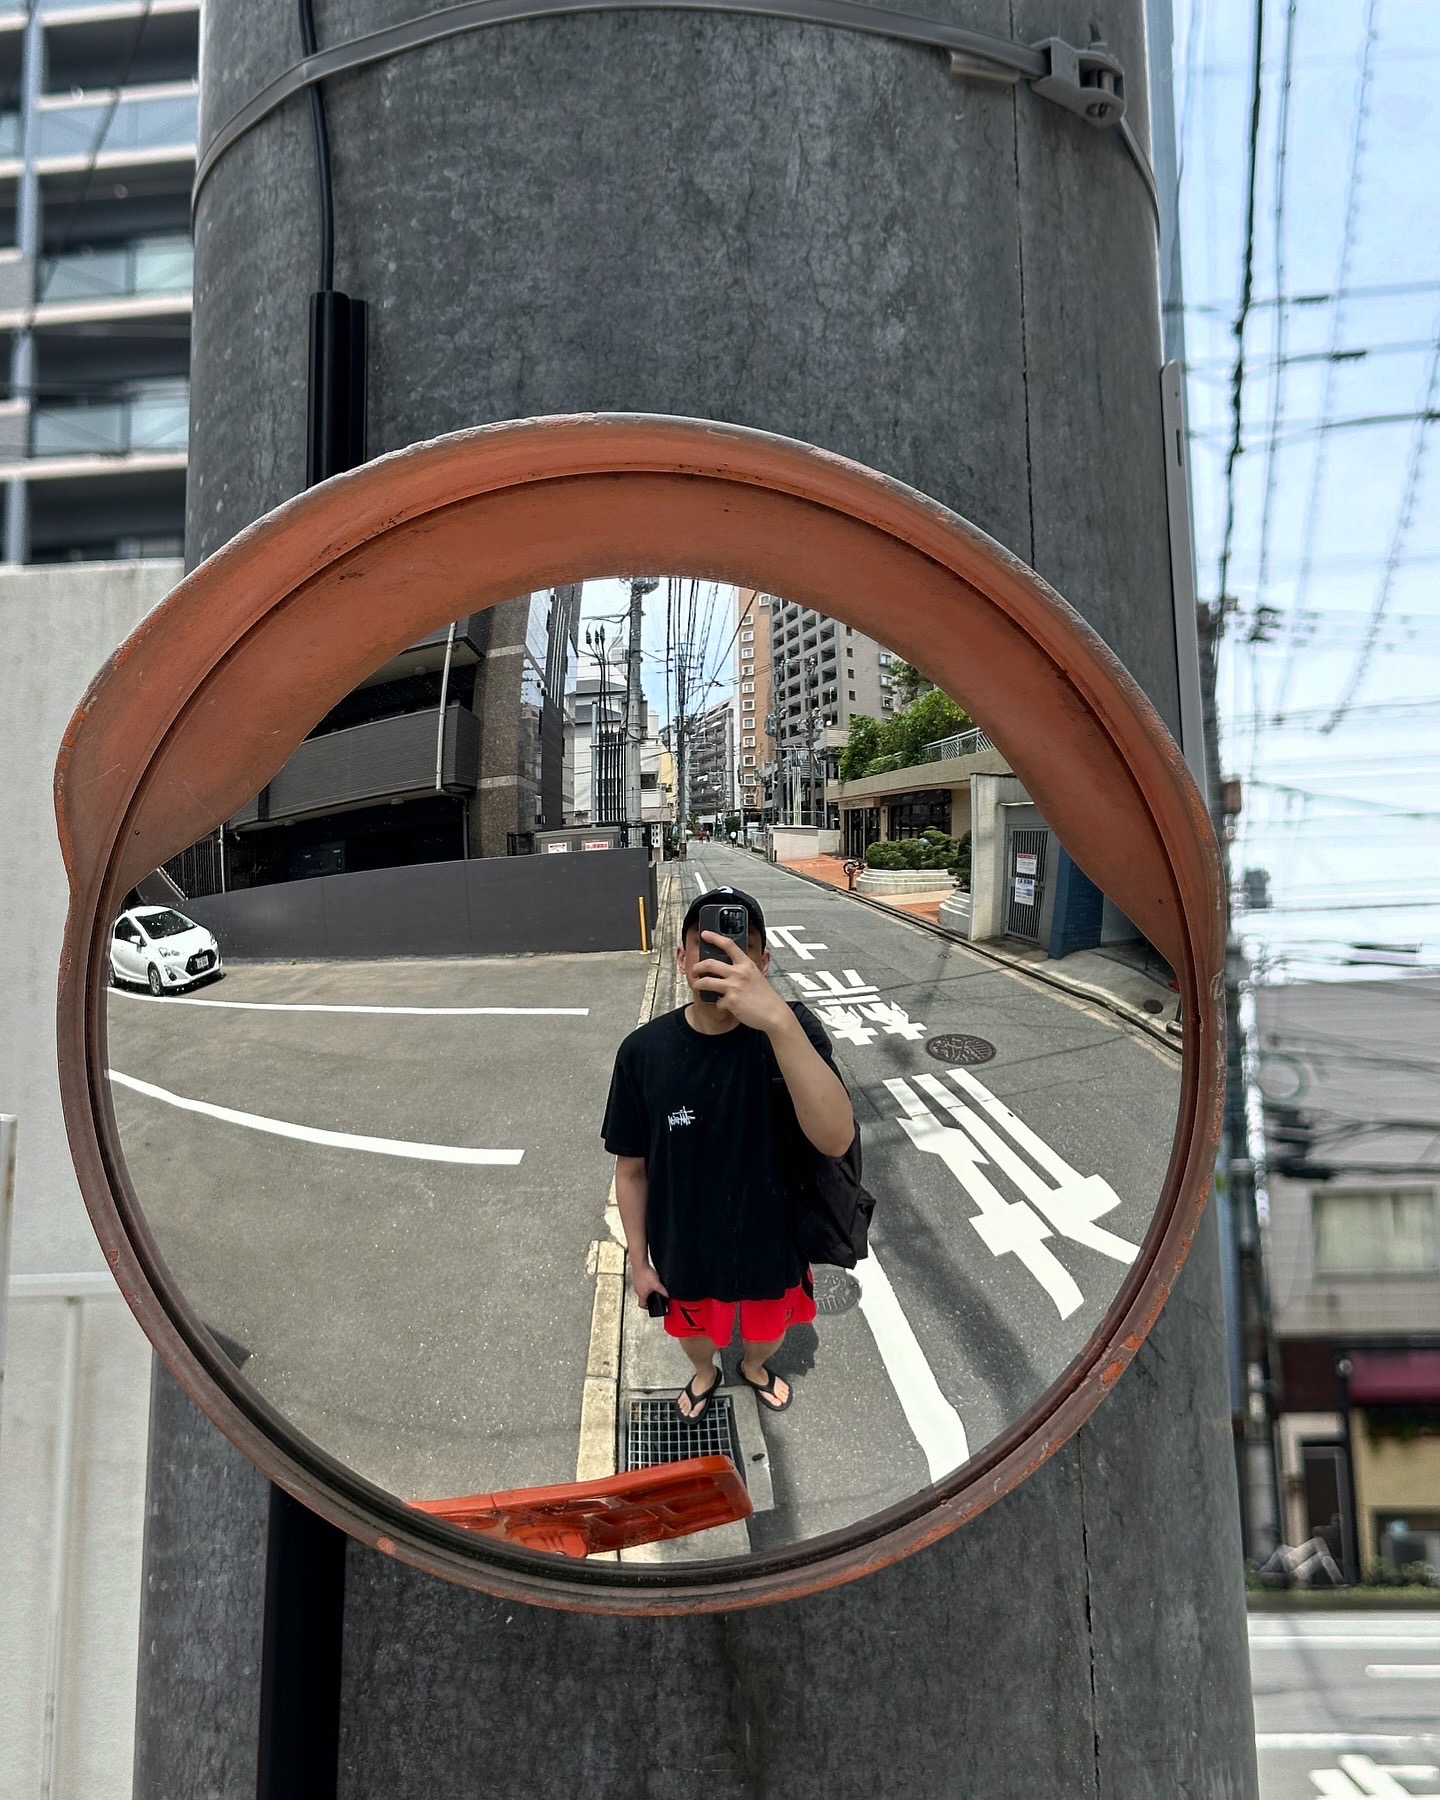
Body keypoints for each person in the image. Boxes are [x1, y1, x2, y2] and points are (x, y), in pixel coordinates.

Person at [601, 885, 854, 1420]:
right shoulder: (642, 1053)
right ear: (681, 958)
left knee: (768, 1332)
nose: (721, 959)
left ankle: (755, 1368)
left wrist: (778, 1021)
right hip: (685, 1250)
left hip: (774, 1245)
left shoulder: (793, 1033)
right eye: (706, 945)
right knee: (694, 1336)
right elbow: (632, 1171)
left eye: (739, 947)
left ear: (763, 961)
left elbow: (835, 1139)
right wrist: (639, 1263)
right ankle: (706, 1373)